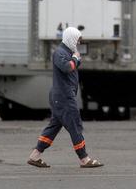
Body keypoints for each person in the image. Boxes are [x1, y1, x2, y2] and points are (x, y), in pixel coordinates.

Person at [27, 26, 103, 168]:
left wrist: (76, 58)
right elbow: (67, 67)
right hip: (63, 97)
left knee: (54, 126)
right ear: (71, 38)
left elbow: (73, 66)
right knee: (75, 125)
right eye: (77, 40)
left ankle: (35, 156)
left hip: (61, 96)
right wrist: (75, 58)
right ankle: (84, 159)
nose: (79, 43)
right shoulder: (60, 53)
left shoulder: (67, 52)